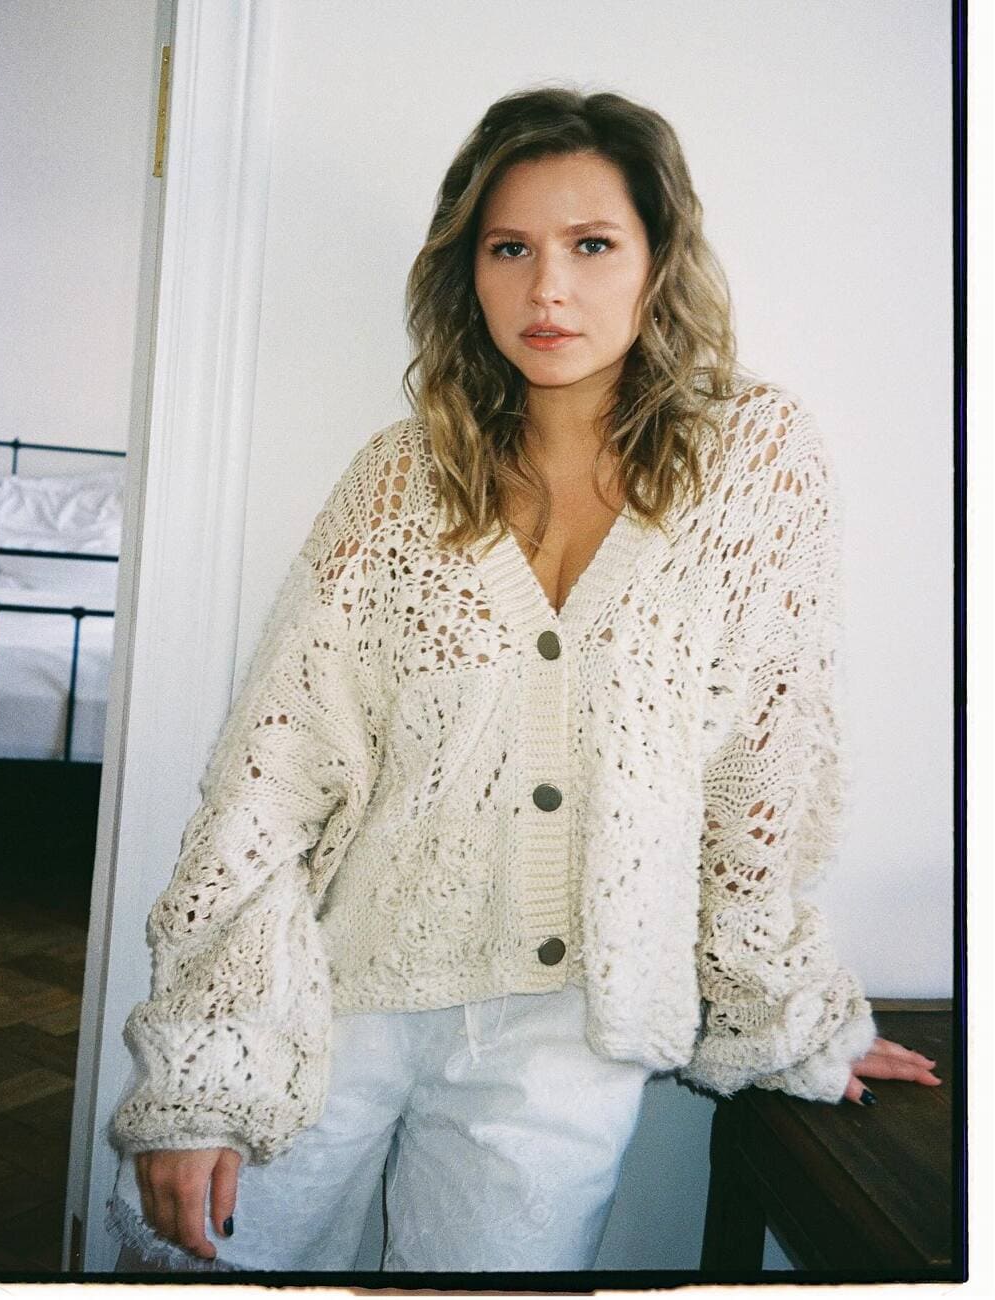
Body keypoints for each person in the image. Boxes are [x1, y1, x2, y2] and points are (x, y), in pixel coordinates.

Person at [106, 86, 941, 1274]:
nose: (548, 288)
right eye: (510, 248)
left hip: (568, 1031)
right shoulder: (398, 479)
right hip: (337, 993)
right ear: (469, 271)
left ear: (657, 260)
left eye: (590, 245)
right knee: (204, 1265)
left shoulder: (755, 463)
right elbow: (271, 771)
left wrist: (787, 1012)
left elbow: (764, 765)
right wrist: (204, 1064)